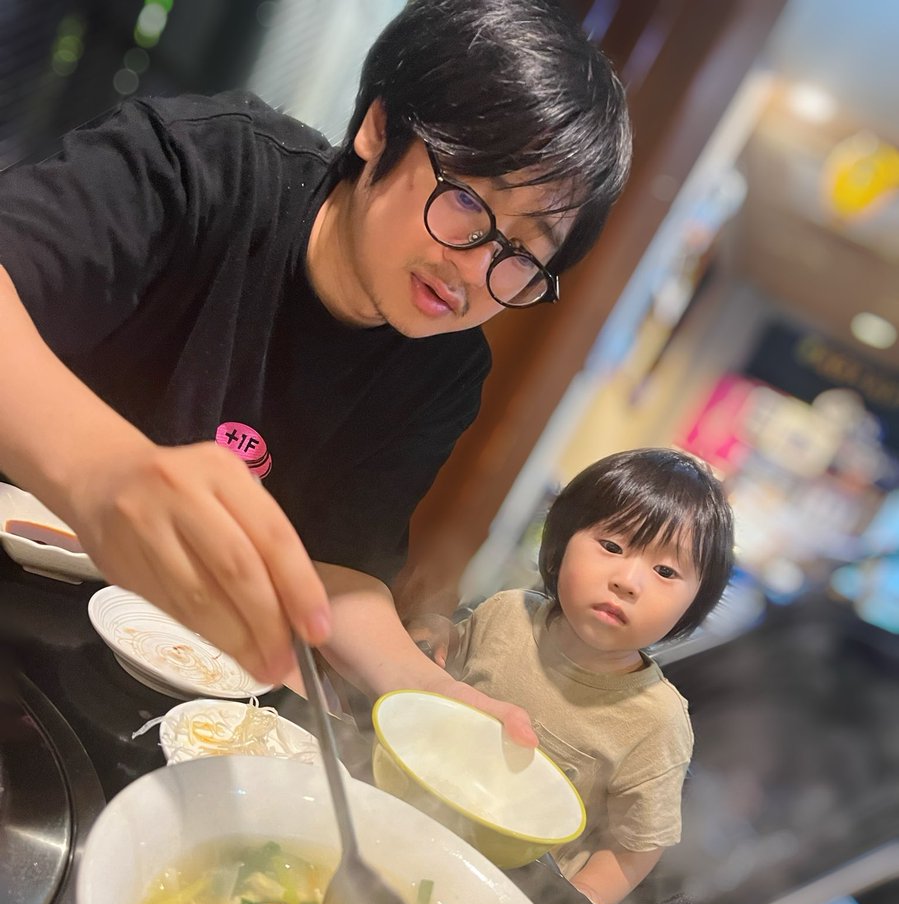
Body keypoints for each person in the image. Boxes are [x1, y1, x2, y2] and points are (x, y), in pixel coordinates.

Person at [0, 0, 631, 740]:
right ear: (378, 128)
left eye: (520, 254)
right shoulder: (199, 165)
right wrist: (103, 469)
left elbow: (338, 564)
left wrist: (426, 692)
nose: (473, 270)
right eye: (466, 199)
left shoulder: (444, 368)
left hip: (137, 676)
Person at [430, 448, 734, 904]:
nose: (628, 581)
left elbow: (634, 846)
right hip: (423, 813)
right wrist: (434, 632)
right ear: (562, 540)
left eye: (665, 571)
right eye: (612, 546)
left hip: (509, 897)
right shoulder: (508, 613)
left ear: (694, 604)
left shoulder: (657, 721)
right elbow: (435, 682)